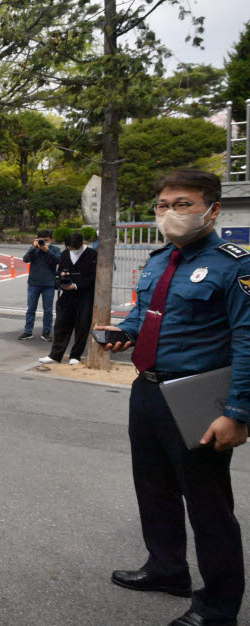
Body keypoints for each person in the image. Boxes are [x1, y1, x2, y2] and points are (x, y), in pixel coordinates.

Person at [98, 169, 247, 626]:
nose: (170, 213)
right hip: (147, 390)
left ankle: (218, 607)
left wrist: (237, 412)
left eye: (182, 204)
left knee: (208, 506)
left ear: (212, 209)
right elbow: (147, 312)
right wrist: (126, 333)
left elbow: (247, 340)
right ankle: (166, 569)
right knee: (154, 488)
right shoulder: (161, 259)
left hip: (198, 397)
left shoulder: (236, 264)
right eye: (163, 206)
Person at [39, 233, 97, 365]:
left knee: (82, 325)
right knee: (61, 324)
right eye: (69, 247)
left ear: (81, 244)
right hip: (66, 295)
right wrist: (62, 276)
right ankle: (55, 354)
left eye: (74, 247)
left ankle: (75, 355)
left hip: (85, 296)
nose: (72, 250)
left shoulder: (92, 254)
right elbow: (60, 271)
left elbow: (94, 277)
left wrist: (76, 285)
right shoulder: (65, 254)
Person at [19, 229, 60, 341]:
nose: (44, 243)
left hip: (49, 284)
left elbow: (58, 261)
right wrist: (33, 247)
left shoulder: (55, 249)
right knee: (31, 308)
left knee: (48, 310)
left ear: (51, 239)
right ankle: (28, 331)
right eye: (42, 240)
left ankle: (46, 332)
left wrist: (47, 250)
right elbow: (25, 259)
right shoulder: (34, 249)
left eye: (46, 240)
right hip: (33, 283)